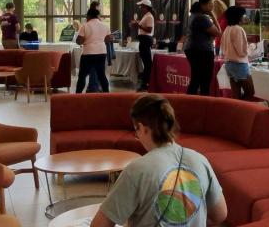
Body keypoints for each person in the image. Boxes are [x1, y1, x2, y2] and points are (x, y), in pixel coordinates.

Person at [90, 94, 227, 227]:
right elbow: (220, 214)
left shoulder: (136, 170)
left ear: (142, 128)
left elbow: (99, 225)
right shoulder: (200, 160)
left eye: (136, 131)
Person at [184, 0, 221, 96]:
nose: (211, 8)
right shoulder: (202, 18)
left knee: (196, 78)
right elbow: (218, 32)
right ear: (202, 5)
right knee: (205, 80)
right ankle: (205, 104)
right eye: (210, 5)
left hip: (191, 49)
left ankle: (189, 103)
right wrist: (212, 15)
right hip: (202, 51)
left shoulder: (192, 16)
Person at [220, 6, 255, 100]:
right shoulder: (238, 29)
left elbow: (223, 48)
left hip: (229, 64)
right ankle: (242, 111)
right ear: (238, 16)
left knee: (236, 95)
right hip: (239, 65)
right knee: (250, 92)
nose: (244, 17)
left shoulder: (227, 29)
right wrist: (252, 47)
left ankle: (237, 112)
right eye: (243, 15)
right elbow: (242, 52)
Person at [75, 7, 111, 94]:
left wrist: (86, 40)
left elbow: (79, 41)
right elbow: (108, 39)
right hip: (101, 53)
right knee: (102, 75)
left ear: (89, 16)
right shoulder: (105, 25)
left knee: (82, 76)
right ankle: (107, 95)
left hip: (88, 53)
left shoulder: (85, 26)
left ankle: (77, 96)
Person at [130, 0, 155, 92]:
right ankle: (145, 82)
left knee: (148, 64)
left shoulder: (149, 17)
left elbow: (149, 30)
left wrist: (138, 25)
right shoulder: (146, 16)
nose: (141, 8)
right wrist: (136, 25)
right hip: (144, 41)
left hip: (146, 40)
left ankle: (146, 83)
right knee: (147, 63)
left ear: (146, 7)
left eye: (142, 6)